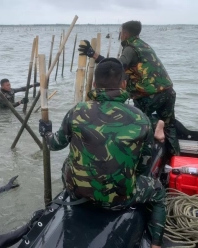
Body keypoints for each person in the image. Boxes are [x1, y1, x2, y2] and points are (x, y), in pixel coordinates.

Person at [38, 58, 166, 248]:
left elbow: (54, 144)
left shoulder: (77, 111)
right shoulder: (141, 118)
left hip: (76, 192)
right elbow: (144, 166)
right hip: (120, 200)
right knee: (158, 192)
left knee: (68, 162)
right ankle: (156, 244)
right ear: (123, 84)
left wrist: (45, 132)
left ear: (94, 84)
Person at [78, 20, 180, 156]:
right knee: (170, 125)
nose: (120, 35)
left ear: (125, 34)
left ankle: (155, 127)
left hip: (149, 94)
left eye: (120, 32)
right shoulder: (144, 45)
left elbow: (116, 67)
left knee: (140, 120)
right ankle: (175, 157)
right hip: (168, 91)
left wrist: (94, 54)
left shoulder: (130, 48)